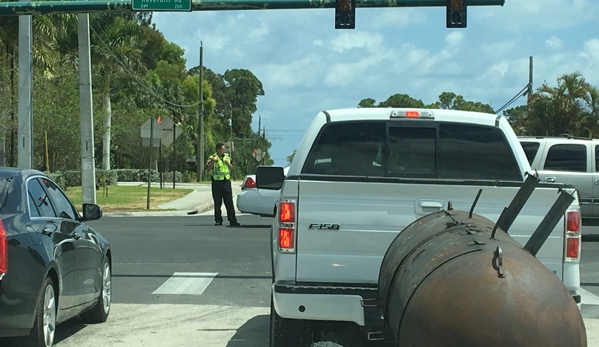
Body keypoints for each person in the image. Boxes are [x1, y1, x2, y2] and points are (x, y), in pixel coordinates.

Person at [206, 143, 240, 226]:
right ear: (218, 149)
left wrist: (228, 163)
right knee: (217, 202)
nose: (224, 151)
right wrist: (213, 162)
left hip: (226, 182)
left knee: (229, 202)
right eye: (222, 149)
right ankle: (218, 220)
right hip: (216, 182)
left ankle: (232, 220)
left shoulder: (227, 157)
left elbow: (232, 167)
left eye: (224, 149)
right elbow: (208, 169)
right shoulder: (212, 157)